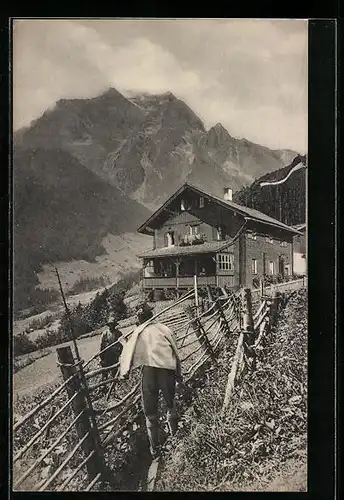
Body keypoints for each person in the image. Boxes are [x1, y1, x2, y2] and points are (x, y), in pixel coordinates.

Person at [119, 301, 182, 459]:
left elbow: (128, 352)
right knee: (170, 405)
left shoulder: (138, 332)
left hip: (149, 372)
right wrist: (179, 374)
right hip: (166, 370)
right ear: (152, 315)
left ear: (139, 318)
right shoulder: (163, 329)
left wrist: (124, 371)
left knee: (150, 413)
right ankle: (175, 441)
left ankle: (155, 451)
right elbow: (175, 351)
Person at [99, 314, 124, 382]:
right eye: (110, 324)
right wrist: (101, 357)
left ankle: (114, 386)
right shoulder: (105, 334)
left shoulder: (118, 333)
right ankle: (104, 386)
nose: (111, 326)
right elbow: (101, 346)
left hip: (115, 356)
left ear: (115, 325)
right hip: (106, 356)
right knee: (104, 373)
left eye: (113, 324)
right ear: (109, 325)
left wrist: (120, 353)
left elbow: (122, 345)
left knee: (114, 373)